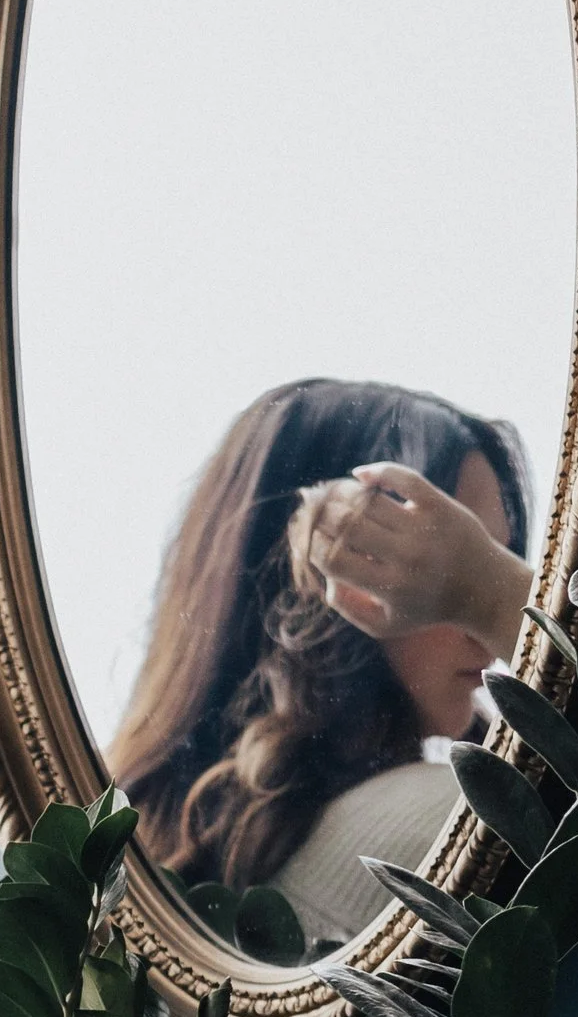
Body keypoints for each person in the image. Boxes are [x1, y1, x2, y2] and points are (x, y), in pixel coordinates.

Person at [107, 376, 535, 951]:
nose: (481, 638)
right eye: (436, 572)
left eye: (491, 563)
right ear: (324, 577)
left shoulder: (111, 877)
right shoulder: (447, 823)